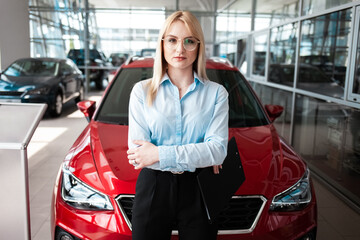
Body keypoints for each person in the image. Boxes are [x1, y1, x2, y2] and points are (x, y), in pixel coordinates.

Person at [127, 10, 229, 240]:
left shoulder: (216, 94)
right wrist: (201, 153)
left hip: (200, 187)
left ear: (198, 46)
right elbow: (138, 155)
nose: (179, 49)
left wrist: (158, 153)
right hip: (154, 184)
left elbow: (217, 150)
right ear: (162, 44)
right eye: (172, 40)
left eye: (189, 41)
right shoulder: (141, 92)